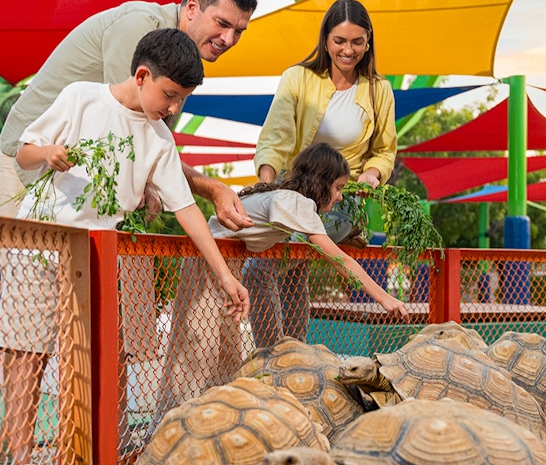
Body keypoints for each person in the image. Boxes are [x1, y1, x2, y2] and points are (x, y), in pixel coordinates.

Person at [0, 29, 250, 465]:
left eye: (181, 100)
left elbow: (188, 211)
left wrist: (224, 275)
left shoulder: (158, 140)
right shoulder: (81, 98)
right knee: (27, 350)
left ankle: (81, 462)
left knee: (91, 360)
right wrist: (46, 155)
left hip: (90, 258)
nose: (172, 109)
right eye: (169, 95)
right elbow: (25, 150)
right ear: (141, 75)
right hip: (38, 242)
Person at [0, 0, 258, 230]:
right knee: (31, 268)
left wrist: (151, 187)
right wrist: (213, 190)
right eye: (222, 24)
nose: (228, 39)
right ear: (192, 8)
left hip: (85, 179)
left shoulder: (182, 58)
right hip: (33, 162)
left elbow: (149, 146)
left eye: (238, 31)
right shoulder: (141, 26)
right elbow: (127, 138)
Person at [156, 143, 408, 419]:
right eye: (337, 188)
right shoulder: (295, 203)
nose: (338, 197)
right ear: (320, 182)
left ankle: (208, 420)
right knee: (197, 354)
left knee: (225, 356)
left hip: (225, 269)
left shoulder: (289, 200)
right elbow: (341, 260)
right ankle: (167, 424)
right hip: (210, 267)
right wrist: (385, 298)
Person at [247, 0, 397, 346]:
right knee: (292, 269)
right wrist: (266, 190)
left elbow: (385, 150)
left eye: (357, 41)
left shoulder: (379, 90)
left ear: (369, 40)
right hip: (293, 194)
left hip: (340, 201)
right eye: (340, 41)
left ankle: (272, 356)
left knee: (266, 265)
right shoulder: (297, 79)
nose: (349, 50)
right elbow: (276, 136)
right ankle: (293, 355)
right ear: (325, 39)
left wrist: (372, 174)